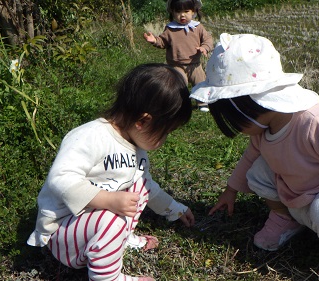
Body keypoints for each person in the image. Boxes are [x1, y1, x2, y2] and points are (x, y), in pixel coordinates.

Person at [190, 33, 319, 281]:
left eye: (234, 120)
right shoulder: (264, 128)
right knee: (257, 172)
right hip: (302, 190)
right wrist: (231, 190)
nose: (237, 130)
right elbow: (250, 158)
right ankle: (287, 217)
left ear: (250, 106)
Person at [27, 63, 195, 281]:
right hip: (63, 233)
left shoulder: (135, 147)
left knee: (140, 186)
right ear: (143, 121)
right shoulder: (91, 136)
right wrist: (108, 200)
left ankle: (120, 239)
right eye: (165, 133)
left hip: (91, 228)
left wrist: (174, 208)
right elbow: (60, 180)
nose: (164, 141)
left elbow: (148, 188)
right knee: (110, 219)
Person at [143, 0, 213, 112]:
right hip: (176, 65)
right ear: (172, 12)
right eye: (178, 12)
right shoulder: (170, 29)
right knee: (180, 86)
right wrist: (155, 40)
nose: (182, 15)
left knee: (201, 83)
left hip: (195, 64)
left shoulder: (197, 27)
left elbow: (208, 39)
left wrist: (204, 47)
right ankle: (181, 105)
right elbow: (163, 42)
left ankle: (202, 103)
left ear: (193, 12)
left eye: (186, 11)